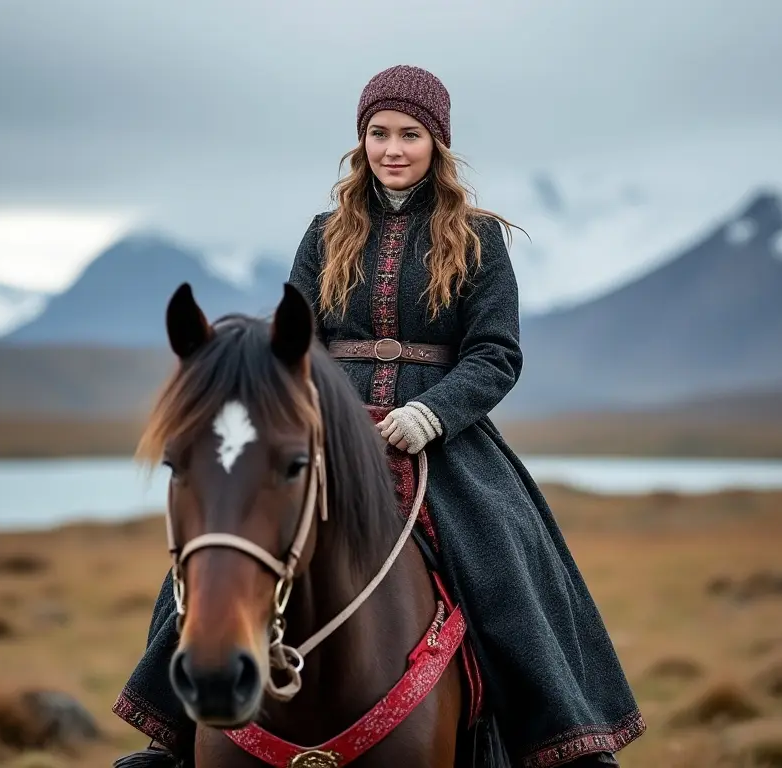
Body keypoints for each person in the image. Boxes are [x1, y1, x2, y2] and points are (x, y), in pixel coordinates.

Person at [113, 64, 645, 768]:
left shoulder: (478, 238)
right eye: (378, 133)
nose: (392, 149)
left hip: (442, 437)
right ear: (360, 140)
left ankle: (561, 743)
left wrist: (432, 413)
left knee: (506, 557)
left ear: (438, 143)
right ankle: (172, 737)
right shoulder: (324, 232)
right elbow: (292, 340)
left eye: (410, 134)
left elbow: (496, 353)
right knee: (223, 541)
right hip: (328, 427)